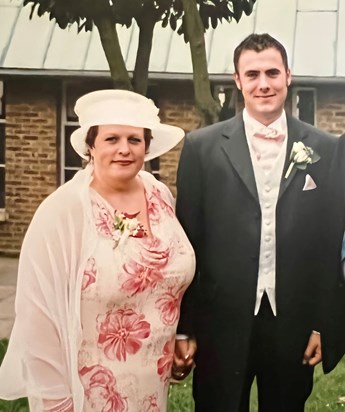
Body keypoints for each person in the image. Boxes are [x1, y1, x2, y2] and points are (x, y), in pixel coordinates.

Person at [174, 33, 345, 411]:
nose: (263, 84)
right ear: (237, 80)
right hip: (220, 319)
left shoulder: (326, 149)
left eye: (271, 72)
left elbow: (328, 245)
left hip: (292, 320)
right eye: (252, 74)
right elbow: (187, 242)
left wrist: (321, 324)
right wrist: (184, 327)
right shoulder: (201, 148)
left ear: (288, 75)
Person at [0, 89, 196, 411]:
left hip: (152, 386)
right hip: (91, 390)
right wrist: (57, 403)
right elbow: (38, 320)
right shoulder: (63, 212)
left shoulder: (158, 194)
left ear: (147, 146)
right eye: (111, 139)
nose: (124, 149)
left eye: (134, 139)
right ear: (90, 146)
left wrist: (175, 338)